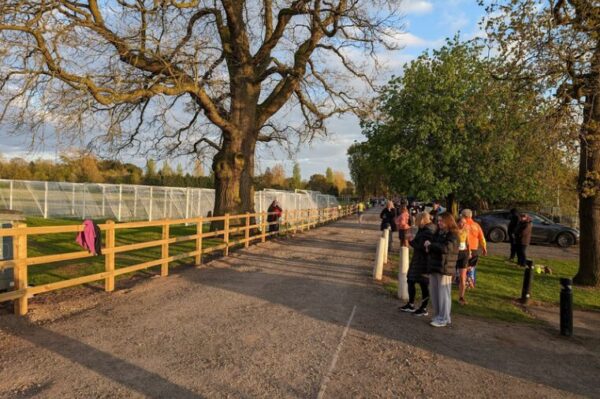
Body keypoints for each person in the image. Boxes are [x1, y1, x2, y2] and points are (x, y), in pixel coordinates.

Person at [424, 212, 459, 327]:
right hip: (435, 266)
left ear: (448, 221)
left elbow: (446, 248)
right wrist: (429, 245)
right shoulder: (438, 233)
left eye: (441, 221)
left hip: (445, 268)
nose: (439, 223)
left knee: (444, 294)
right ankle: (439, 315)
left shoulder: (453, 235)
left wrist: (431, 245)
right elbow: (436, 245)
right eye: (438, 221)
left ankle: (444, 318)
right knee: (435, 293)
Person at [400, 212, 437, 316]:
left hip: (424, 261)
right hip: (418, 260)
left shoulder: (428, 231)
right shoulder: (424, 229)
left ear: (422, 220)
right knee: (411, 280)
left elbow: (422, 247)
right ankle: (411, 304)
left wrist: (410, 240)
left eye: (417, 220)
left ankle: (423, 307)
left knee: (423, 283)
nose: (416, 222)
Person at [460, 209, 487, 287]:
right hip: (474, 248)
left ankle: (463, 281)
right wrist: (484, 247)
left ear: (464, 216)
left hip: (464, 249)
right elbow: (482, 237)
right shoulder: (476, 225)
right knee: (472, 266)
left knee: (463, 266)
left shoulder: (462, 224)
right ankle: (471, 281)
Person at [455, 217, 470, 305]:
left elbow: (468, 243)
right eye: (461, 223)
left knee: (462, 277)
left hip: (463, 254)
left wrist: (469, 253)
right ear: (457, 223)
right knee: (452, 276)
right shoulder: (454, 231)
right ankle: (446, 294)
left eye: (465, 223)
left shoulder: (466, 231)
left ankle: (461, 297)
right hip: (455, 254)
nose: (463, 224)